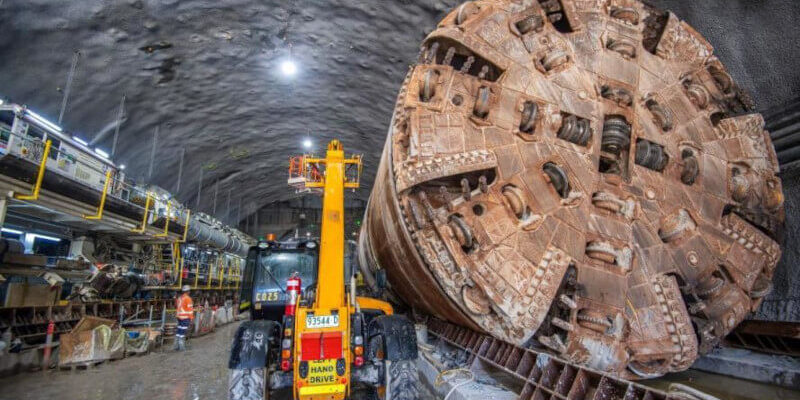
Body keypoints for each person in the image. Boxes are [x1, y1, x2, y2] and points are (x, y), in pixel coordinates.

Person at [174, 285, 194, 351]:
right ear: (188, 291)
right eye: (189, 291)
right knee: (182, 333)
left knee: (179, 331)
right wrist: (191, 319)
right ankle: (181, 348)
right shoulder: (188, 299)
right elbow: (190, 310)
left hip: (179, 317)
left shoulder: (180, 298)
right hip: (185, 318)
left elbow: (177, 307)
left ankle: (176, 346)